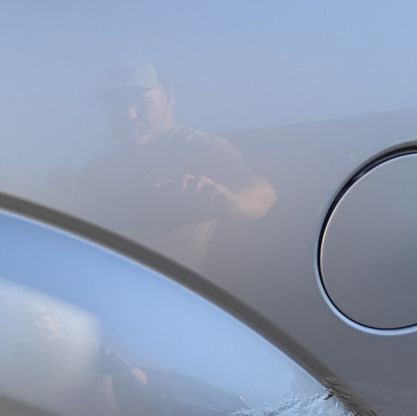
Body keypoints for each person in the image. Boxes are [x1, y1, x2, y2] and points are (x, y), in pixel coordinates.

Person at [79, 61, 275, 269]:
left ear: (169, 99)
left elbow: (263, 192)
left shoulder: (202, 148)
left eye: (143, 103)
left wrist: (235, 203)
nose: (130, 115)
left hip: (172, 283)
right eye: (116, 107)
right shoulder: (98, 169)